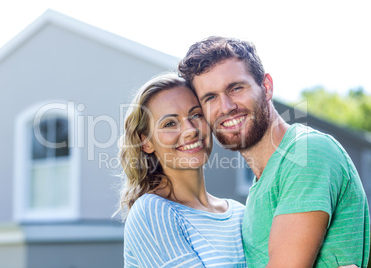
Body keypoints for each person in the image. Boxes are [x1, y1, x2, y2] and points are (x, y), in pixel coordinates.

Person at [178, 36, 370, 267]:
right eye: (210, 98)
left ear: (266, 87)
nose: (226, 107)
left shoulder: (306, 153)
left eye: (236, 88)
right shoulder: (262, 184)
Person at [117, 73, 247, 267]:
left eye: (196, 115)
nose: (190, 130)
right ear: (146, 142)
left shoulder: (240, 214)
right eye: (170, 123)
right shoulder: (152, 212)